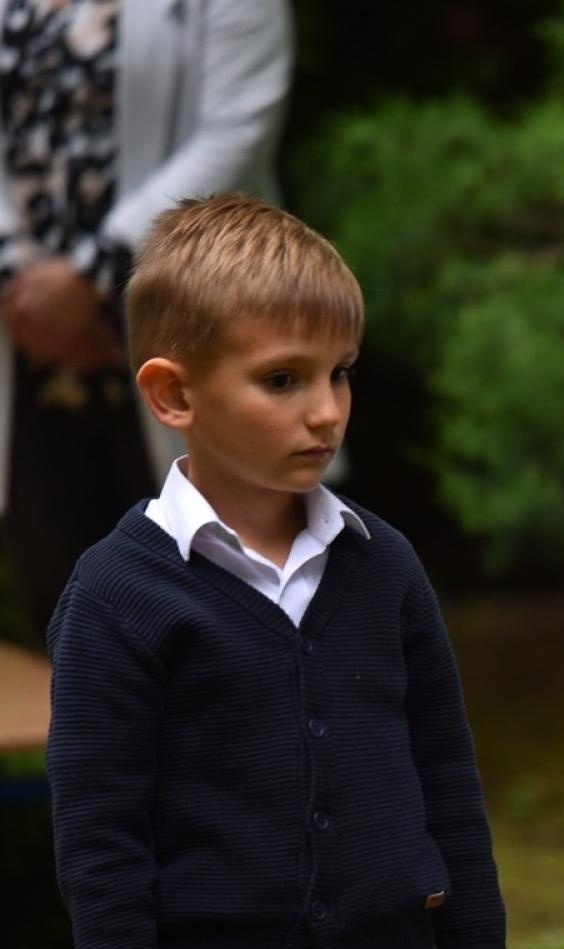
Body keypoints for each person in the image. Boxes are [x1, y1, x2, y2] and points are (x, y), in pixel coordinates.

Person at [46, 195, 523, 949]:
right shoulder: (118, 595)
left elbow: (446, 777)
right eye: (282, 379)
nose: (326, 410)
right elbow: (100, 840)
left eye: (340, 372)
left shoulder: (385, 565)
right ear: (173, 393)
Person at [0, 0, 292, 640]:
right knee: (63, 612)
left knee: (216, 609)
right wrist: (21, 285)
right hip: (31, 341)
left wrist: (91, 277)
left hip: (186, 321)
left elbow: (236, 133)